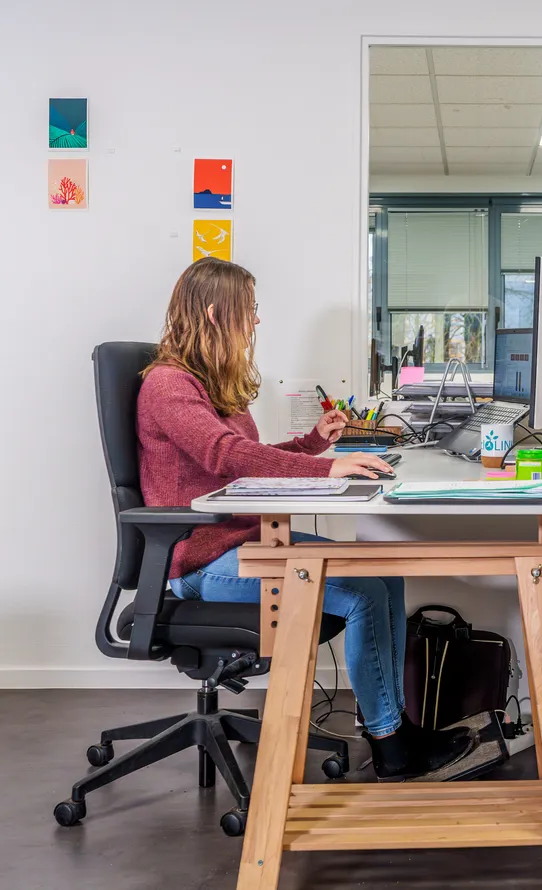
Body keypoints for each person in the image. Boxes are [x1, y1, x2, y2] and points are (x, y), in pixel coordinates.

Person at [137, 257, 470, 780]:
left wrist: (315, 443)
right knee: (362, 596)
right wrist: (328, 467)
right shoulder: (168, 385)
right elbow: (224, 455)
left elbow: (248, 458)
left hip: (246, 544)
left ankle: (395, 728)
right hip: (202, 563)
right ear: (215, 313)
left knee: (385, 573)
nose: (256, 319)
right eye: (249, 308)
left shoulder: (212, 385)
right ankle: (391, 747)